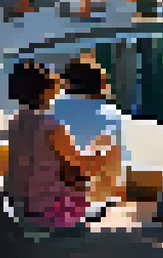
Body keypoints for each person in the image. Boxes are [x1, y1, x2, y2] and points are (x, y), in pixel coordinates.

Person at [5, 60, 116, 232]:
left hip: (20, 209)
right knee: (80, 175)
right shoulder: (51, 126)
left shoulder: (15, 123)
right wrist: (100, 154)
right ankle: (80, 216)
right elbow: (81, 164)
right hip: (49, 211)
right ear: (46, 90)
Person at [52, 54, 127, 220]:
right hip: (99, 199)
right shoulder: (113, 115)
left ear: (68, 82)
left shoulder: (51, 110)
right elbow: (119, 164)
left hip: (57, 198)